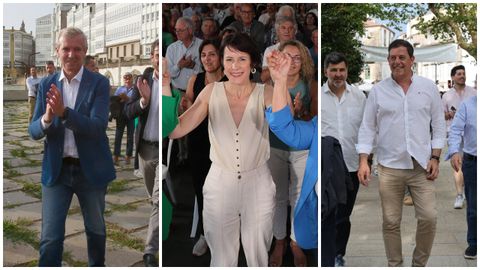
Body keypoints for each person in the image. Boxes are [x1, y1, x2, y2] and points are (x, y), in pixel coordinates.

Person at [169, 33, 274, 267]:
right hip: (219, 182)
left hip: (258, 182)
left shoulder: (266, 93)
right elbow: (177, 130)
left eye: (241, 59)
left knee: (258, 255)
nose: (234, 66)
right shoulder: (210, 92)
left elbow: (289, 128)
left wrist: (282, 80)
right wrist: (165, 89)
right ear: (222, 62)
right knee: (222, 258)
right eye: (229, 60)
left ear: (253, 62)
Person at [28, 27, 115, 267]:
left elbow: (97, 126)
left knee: (96, 231)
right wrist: (46, 118)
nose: (71, 54)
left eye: (77, 49)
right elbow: (33, 130)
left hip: (91, 172)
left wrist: (64, 113)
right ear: (57, 51)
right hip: (57, 171)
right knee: (49, 239)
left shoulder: (98, 83)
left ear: (85, 52)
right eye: (66, 48)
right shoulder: (46, 84)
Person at [357, 39, 446, 267]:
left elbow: (438, 125)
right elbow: (368, 127)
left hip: (421, 167)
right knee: (391, 222)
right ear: (388, 61)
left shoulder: (428, 88)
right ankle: (395, 264)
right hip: (389, 168)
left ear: (412, 60)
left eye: (401, 57)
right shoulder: (378, 91)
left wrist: (436, 157)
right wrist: (364, 161)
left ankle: (418, 264)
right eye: (393, 58)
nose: (397, 62)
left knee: (429, 217)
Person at [265, 49, 318, 259]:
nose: (293, 61)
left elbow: (317, 122)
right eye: (288, 56)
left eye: (297, 57)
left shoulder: (311, 85)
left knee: (298, 196)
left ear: (304, 60)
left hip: (302, 149)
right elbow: (272, 119)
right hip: (276, 146)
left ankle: (297, 243)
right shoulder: (270, 86)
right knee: (278, 195)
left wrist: (301, 112)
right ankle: (279, 241)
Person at [182, 38, 225, 257]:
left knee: (224, 192)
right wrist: (185, 104)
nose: (207, 59)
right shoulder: (195, 79)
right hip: (199, 142)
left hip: (224, 144)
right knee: (202, 191)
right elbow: (189, 104)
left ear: (221, 56)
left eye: (212, 54)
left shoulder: (231, 80)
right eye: (204, 55)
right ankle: (204, 234)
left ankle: (224, 235)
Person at [321, 52, 366, 267]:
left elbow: (366, 131)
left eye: (341, 70)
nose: (338, 74)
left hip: (350, 166)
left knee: (343, 215)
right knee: (326, 213)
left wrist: (366, 161)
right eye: (333, 70)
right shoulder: (318, 96)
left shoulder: (359, 96)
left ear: (346, 71)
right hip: (325, 167)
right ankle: (326, 255)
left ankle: (338, 253)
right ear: (325, 71)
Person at [125, 40, 159, 267]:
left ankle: (150, 250)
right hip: (146, 149)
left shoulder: (174, 81)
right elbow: (127, 111)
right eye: (156, 54)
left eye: (162, 55)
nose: (159, 58)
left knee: (157, 201)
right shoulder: (143, 81)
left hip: (165, 148)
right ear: (152, 57)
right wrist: (144, 100)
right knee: (152, 198)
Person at [445, 95, 477, 260]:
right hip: (473, 162)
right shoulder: (467, 105)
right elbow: (456, 130)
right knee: (473, 207)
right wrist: (454, 151)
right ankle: (474, 243)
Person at [442, 65, 476, 209]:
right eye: (459, 74)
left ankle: (470, 193)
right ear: (453, 77)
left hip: (470, 135)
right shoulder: (446, 96)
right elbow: (440, 115)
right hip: (454, 132)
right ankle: (459, 194)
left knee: (469, 166)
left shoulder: (473, 93)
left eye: (464, 73)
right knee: (457, 164)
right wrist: (449, 114)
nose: (462, 76)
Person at [165, 17, 203, 93]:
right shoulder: (171, 48)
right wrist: (179, 66)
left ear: (190, 31)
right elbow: (168, 74)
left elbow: (208, 72)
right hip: (177, 92)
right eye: (176, 30)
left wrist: (193, 66)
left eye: (180, 30)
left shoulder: (202, 45)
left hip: (199, 92)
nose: (177, 33)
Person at [261, 15, 297, 84]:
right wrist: (279, 63)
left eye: (290, 28)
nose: (287, 31)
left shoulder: (303, 49)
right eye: (283, 28)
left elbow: (309, 74)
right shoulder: (270, 50)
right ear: (277, 31)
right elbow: (263, 77)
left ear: (295, 31)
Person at [113, 72, 135, 165]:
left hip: (131, 114)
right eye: (125, 78)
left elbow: (135, 101)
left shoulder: (135, 89)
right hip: (121, 115)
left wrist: (127, 98)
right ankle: (116, 156)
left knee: (130, 136)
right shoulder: (119, 88)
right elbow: (114, 101)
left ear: (132, 79)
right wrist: (120, 99)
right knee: (118, 136)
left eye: (129, 78)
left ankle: (128, 156)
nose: (127, 80)